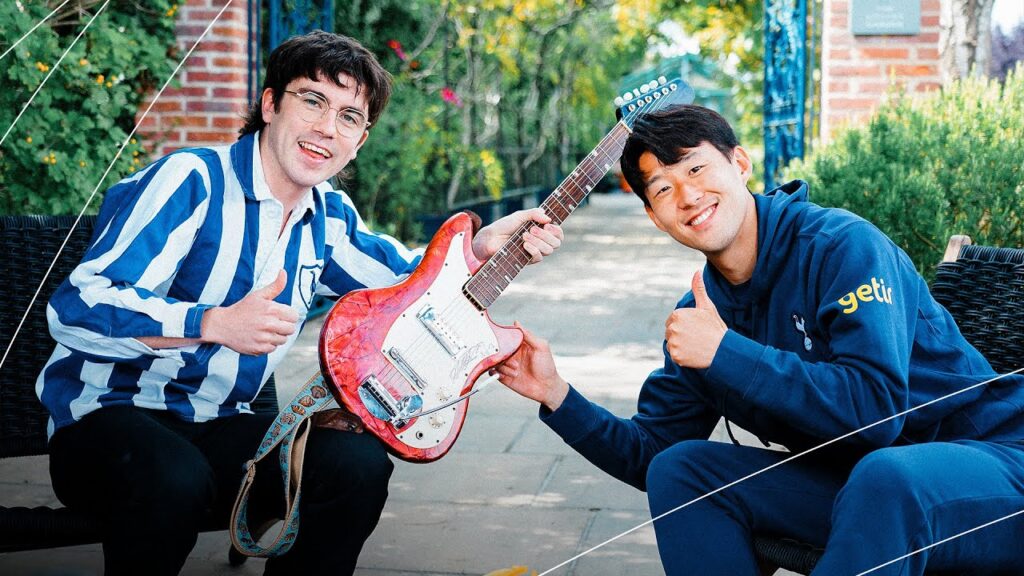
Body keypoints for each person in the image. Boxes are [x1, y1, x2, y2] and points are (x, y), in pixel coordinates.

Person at [38, 31, 562, 576]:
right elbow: (78, 305)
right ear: (269, 104)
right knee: (174, 477)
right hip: (104, 423)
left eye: (349, 117)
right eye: (312, 101)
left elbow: (414, 282)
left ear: (359, 141)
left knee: (354, 465)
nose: (326, 129)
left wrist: (481, 246)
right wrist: (211, 323)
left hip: (220, 426)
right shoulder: (191, 181)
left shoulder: (329, 219)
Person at [496, 104, 1024, 575]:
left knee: (887, 477)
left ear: (741, 165)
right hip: (859, 487)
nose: (688, 195)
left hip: (994, 470)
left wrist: (730, 354)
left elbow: (876, 415)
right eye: (663, 189)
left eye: (697, 168)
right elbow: (651, 452)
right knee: (682, 472)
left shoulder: (843, 247)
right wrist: (557, 395)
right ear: (655, 217)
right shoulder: (701, 316)